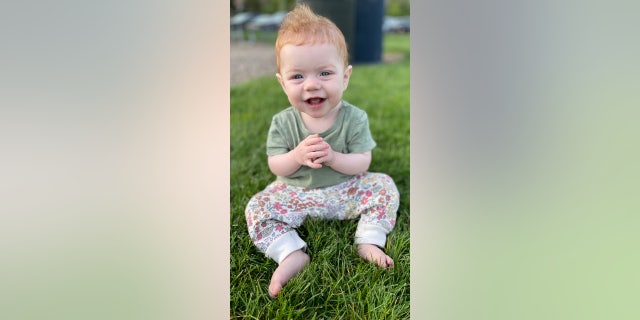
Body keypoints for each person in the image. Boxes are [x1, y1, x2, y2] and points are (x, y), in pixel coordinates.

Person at [245, 3, 400, 298]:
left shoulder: (355, 118)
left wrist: (333, 158)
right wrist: (295, 157)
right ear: (282, 83)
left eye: (325, 73)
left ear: (345, 77)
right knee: (256, 208)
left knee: (384, 186)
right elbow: (275, 165)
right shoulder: (283, 122)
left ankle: (368, 239)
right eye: (298, 77)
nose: (312, 85)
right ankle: (290, 253)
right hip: (295, 193)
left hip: (344, 189)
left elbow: (363, 162)